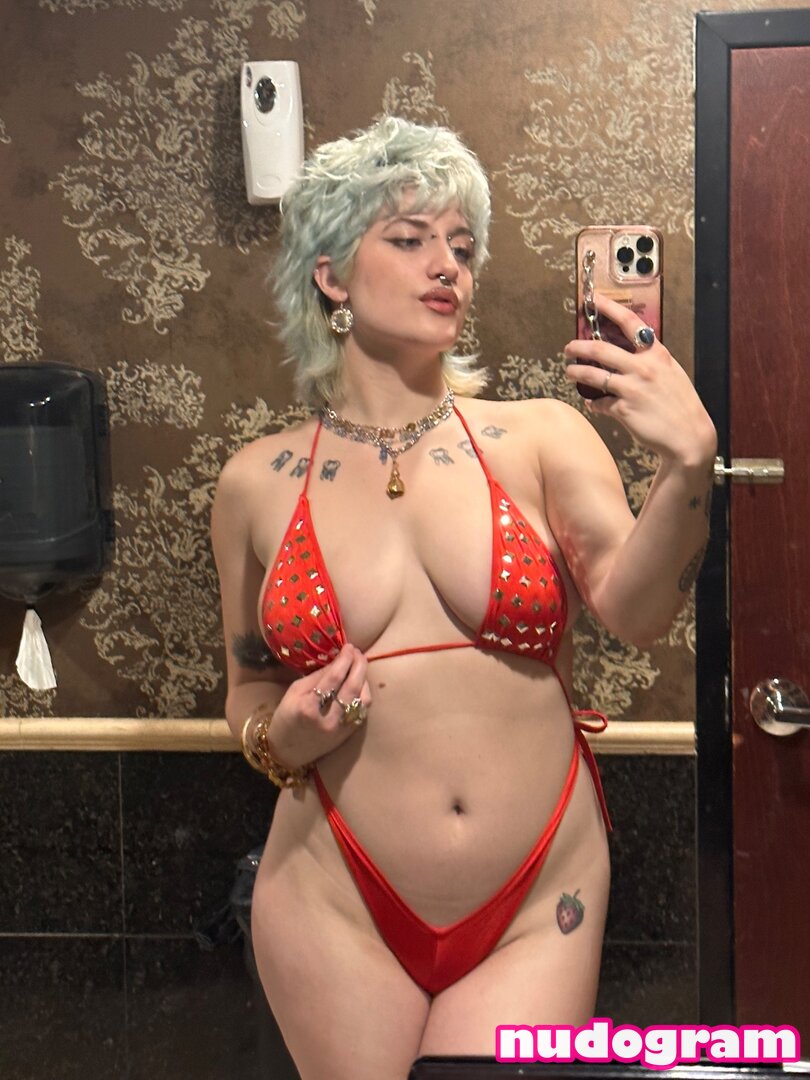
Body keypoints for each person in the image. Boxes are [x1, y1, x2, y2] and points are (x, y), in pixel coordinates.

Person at [211, 116, 716, 1080]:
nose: (448, 265)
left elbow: (640, 614)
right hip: (330, 894)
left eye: (463, 246)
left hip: (536, 894)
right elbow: (246, 691)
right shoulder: (255, 484)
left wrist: (689, 464)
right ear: (331, 277)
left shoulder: (539, 437)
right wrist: (283, 738)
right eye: (410, 239)